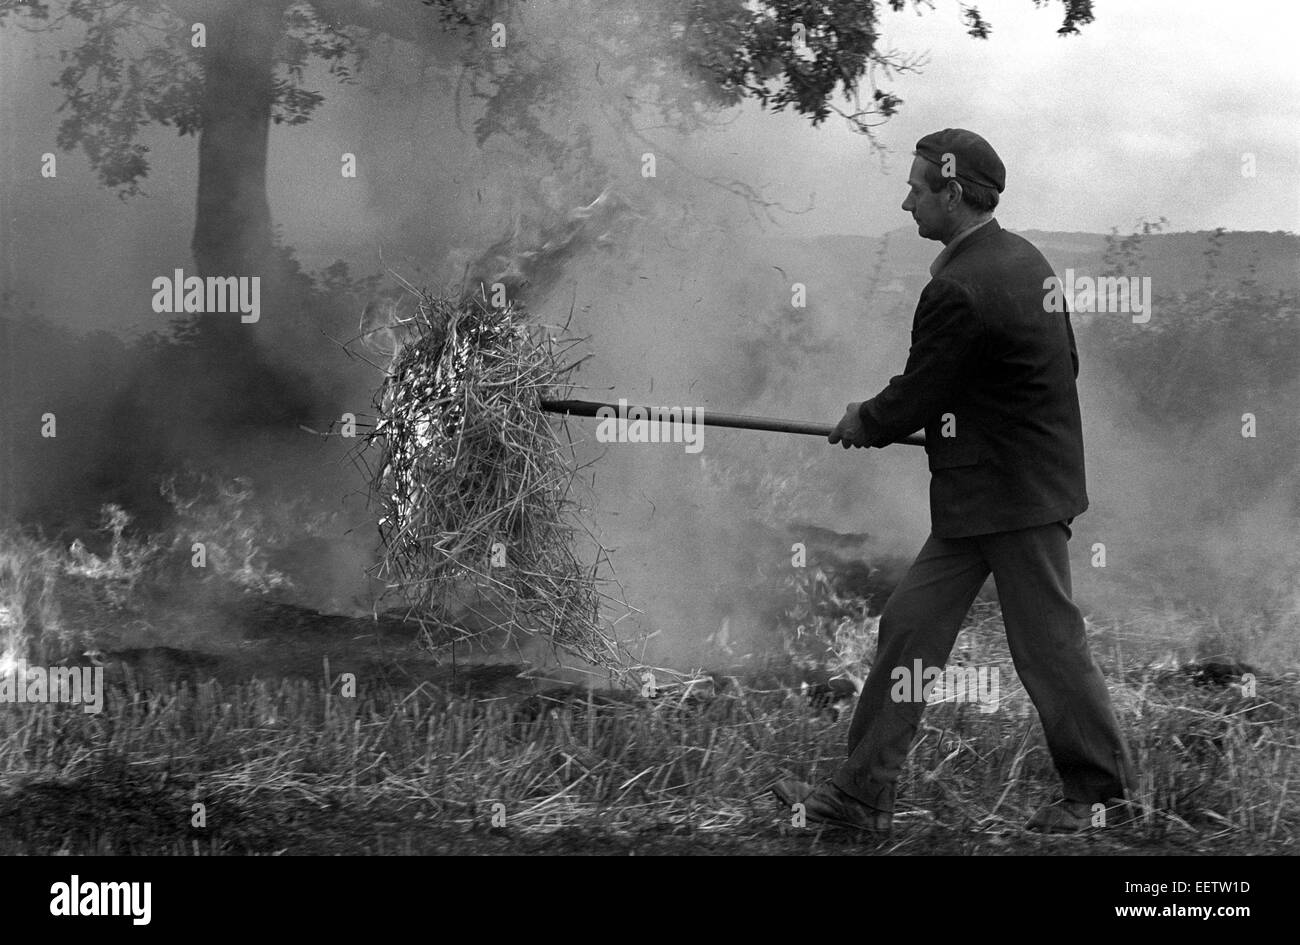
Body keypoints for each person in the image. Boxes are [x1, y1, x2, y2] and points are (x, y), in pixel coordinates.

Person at [772, 128, 1134, 835]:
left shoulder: (958, 286)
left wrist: (863, 420)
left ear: (954, 193)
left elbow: (920, 394)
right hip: (990, 490)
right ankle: (861, 795)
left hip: (1014, 497)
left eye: (917, 188)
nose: (906, 201)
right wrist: (971, 425)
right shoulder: (1023, 259)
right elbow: (1044, 372)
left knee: (1049, 646)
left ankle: (1102, 799)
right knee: (909, 625)